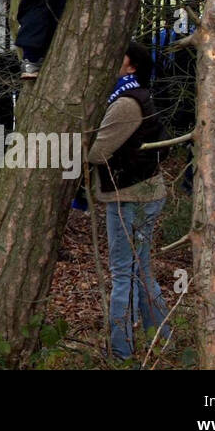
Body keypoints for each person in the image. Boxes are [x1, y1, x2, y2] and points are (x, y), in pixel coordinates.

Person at [86, 41, 170, 360]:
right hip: (143, 192)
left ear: (131, 66)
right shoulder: (132, 95)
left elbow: (97, 152)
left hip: (130, 197)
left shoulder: (125, 103)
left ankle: (122, 353)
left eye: (117, 55)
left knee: (124, 274)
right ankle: (165, 340)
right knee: (141, 271)